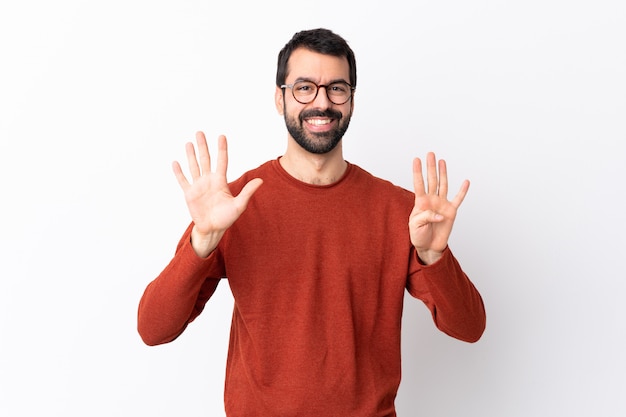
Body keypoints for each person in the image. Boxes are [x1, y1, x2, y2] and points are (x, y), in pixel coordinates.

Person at [137, 28, 486, 417]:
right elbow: (154, 329)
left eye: (337, 89)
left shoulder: (400, 211)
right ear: (279, 97)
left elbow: (469, 327)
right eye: (304, 88)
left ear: (352, 100)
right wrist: (202, 240)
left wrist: (433, 255)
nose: (322, 102)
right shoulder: (233, 205)